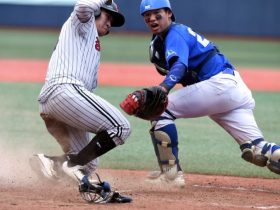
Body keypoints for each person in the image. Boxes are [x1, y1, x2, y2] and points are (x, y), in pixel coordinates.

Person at [121, 0, 280, 188]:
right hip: (232, 88)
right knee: (257, 149)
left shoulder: (175, 33)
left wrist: (164, 89)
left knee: (160, 110)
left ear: (169, 13)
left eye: (157, 14)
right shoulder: (169, 36)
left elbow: (179, 65)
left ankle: (171, 176)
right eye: (147, 16)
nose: (152, 18)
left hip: (219, 85)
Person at [30, 0, 132, 203]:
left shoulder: (90, 42)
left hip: (61, 102)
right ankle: (66, 165)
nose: (110, 23)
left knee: (88, 163)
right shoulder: (82, 22)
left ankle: (53, 163)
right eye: (108, 16)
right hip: (64, 91)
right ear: (97, 13)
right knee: (121, 127)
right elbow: (83, 7)